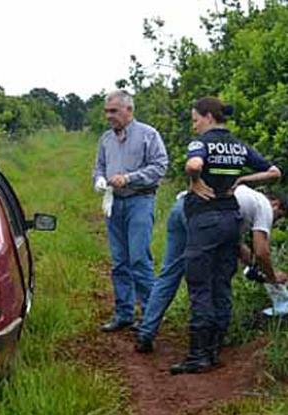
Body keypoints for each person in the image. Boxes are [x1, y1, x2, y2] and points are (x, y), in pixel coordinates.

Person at [171, 97, 281, 375]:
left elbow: (194, 165)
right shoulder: (238, 145)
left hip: (205, 219)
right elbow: (273, 172)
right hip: (231, 219)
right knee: (222, 284)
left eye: (195, 119)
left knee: (199, 285)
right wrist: (243, 180)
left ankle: (198, 355)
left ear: (208, 117)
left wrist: (195, 181)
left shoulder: (201, 143)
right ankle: (215, 351)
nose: (194, 125)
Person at [134, 184, 286, 355]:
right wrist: (272, 277)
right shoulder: (263, 206)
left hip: (182, 206)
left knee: (169, 274)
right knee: (212, 279)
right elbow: (261, 251)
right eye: (279, 216)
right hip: (202, 218)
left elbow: (238, 246)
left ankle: (145, 333)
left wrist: (257, 269)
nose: (275, 221)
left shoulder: (244, 195)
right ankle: (210, 344)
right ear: (275, 204)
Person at [93, 90, 169, 332]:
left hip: (140, 200)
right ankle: (124, 313)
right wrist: (99, 180)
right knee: (119, 261)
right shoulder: (106, 139)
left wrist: (129, 178)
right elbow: (99, 167)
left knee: (139, 259)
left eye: (113, 111)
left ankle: (150, 315)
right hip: (115, 203)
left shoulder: (149, 134)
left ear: (129, 110)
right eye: (107, 111)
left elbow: (160, 166)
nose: (109, 116)